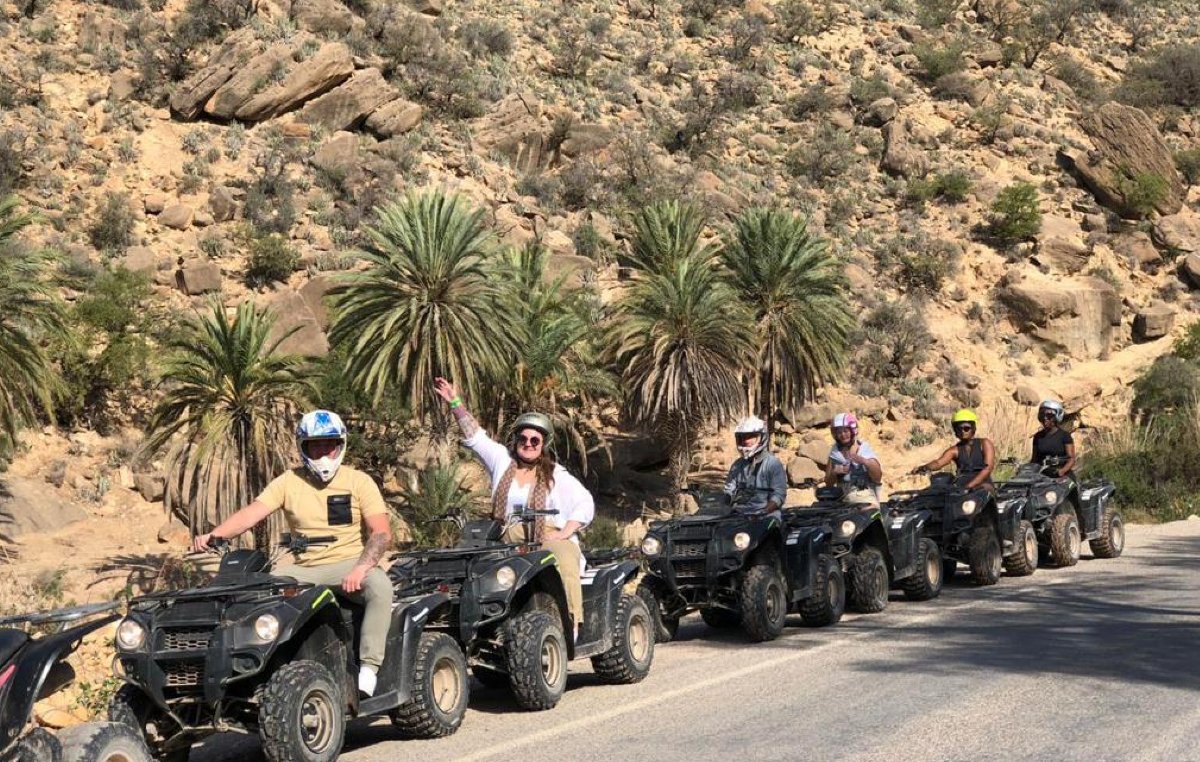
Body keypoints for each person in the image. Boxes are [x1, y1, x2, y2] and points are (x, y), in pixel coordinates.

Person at [192, 410, 392, 697]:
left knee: (381, 588)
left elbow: (381, 533)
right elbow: (251, 513)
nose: (323, 453)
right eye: (315, 446)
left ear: (340, 445)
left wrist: (361, 568)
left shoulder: (359, 481)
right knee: (256, 592)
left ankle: (369, 669)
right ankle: (251, 667)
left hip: (348, 563)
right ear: (303, 447)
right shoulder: (288, 481)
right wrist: (215, 535)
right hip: (302, 569)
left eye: (329, 445)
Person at [433, 377, 594, 641]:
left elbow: (585, 503)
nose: (528, 444)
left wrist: (565, 532)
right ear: (516, 439)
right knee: (466, 563)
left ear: (543, 445)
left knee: (565, 559)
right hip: (504, 536)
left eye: (535, 440)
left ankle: (571, 623)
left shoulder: (556, 474)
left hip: (545, 536)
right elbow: (475, 436)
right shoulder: (501, 460)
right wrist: (455, 403)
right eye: (523, 438)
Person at [913, 408, 996, 490]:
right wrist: (924, 467)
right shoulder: (954, 450)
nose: (963, 431)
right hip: (960, 486)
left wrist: (968, 487)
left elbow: (988, 468)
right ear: (955, 430)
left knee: (983, 489)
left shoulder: (984, 443)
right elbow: (938, 463)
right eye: (959, 428)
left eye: (966, 428)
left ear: (973, 428)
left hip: (982, 484)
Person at [724, 416, 787, 514]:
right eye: (743, 437)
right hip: (740, 513)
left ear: (762, 437)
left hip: (767, 514)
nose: (746, 441)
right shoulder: (737, 465)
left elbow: (779, 495)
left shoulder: (773, 464)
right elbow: (729, 489)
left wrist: (764, 511)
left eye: (751, 436)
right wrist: (726, 499)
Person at [825, 412, 884, 506]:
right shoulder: (835, 452)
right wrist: (834, 472)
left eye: (845, 431)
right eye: (839, 432)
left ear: (853, 431)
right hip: (842, 498)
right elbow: (828, 483)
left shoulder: (863, 449)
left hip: (864, 496)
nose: (843, 435)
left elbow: (878, 477)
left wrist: (865, 462)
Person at [1031, 399, 1076, 478]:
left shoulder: (1065, 436)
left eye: (1049, 415)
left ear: (1057, 416)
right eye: (1042, 415)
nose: (1045, 418)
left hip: (1062, 475)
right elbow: (1034, 460)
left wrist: (1061, 471)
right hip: (1042, 475)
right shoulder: (1037, 436)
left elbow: (1071, 459)